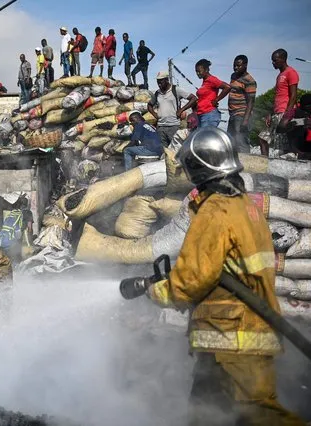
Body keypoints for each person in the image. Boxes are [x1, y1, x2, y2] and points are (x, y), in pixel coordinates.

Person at [123, 127, 305, 426]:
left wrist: (150, 290)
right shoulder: (246, 207)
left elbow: (189, 283)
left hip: (231, 339)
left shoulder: (214, 212)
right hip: (241, 334)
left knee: (260, 417)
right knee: (207, 413)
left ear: (198, 169)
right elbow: (225, 268)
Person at [258, 48, 300, 156]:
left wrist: (287, 115)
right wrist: (270, 114)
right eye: (272, 60)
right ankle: (263, 165)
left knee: (281, 147)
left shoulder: (291, 72)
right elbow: (278, 97)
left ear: (283, 59)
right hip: (276, 113)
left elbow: (294, 95)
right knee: (262, 139)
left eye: (275, 60)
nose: (273, 63)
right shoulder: (279, 76)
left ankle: (282, 169)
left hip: (284, 113)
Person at [148, 71, 198, 146]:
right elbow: (149, 105)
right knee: (163, 150)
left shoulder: (176, 90)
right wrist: (155, 115)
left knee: (174, 150)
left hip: (173, 126)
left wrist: (181, 110)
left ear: (167, 80)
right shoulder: (157, 93)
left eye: (161, 81)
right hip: (161, 127)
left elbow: (193, 98)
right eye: (157, 81)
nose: (159, 84)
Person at [227, 55, 257, 154]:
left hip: (241, 115)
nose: (236, 68)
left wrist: (245, 120)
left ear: (245, 65)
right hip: (232, 115)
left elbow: (251, 102)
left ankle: (245, 166)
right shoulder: (233, 76)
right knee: (231, 142)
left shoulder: (249, 81)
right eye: (234, 65)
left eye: (238, 66)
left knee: (241, 142)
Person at [195, 59, 231, 128]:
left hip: (209, 114)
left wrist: (216, 100)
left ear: (206, 70)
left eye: (199, 71)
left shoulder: (211, 79)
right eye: (196, 71)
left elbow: (227, 87)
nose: (198, 73)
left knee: (205, 137)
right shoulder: (205, 82)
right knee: (201, 137)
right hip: (202, 114)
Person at [0, 196, 34, 264]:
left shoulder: (13, 212)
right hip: (16, 241)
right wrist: (31, 240)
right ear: (27, 204)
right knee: (17, 262)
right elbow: (30, 228)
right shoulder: (28, 213)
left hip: (6, 240)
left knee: (7, 262)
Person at [278, 93, 311, 160]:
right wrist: (292, 125)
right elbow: (279, 129)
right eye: (308, 107)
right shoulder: (293, 112)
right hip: (296, 146)